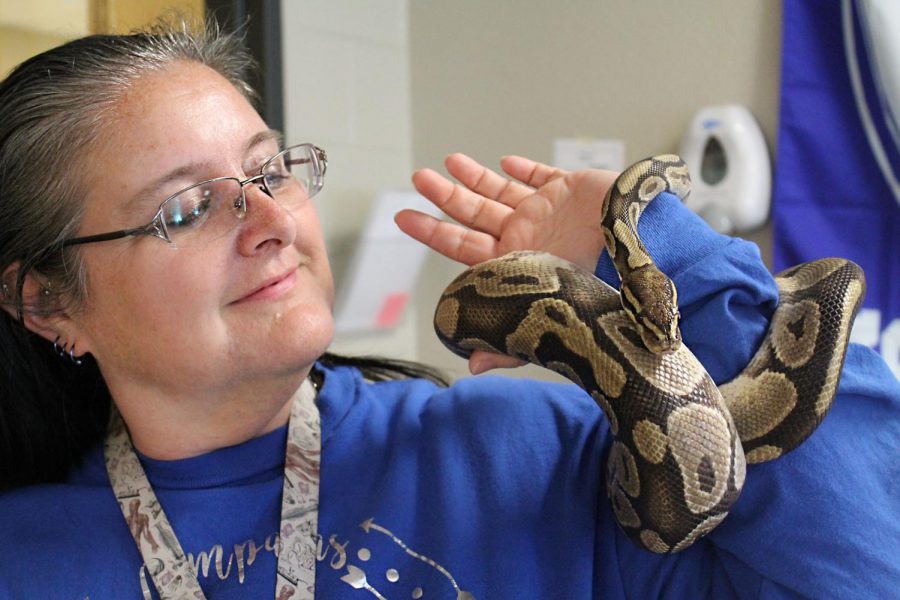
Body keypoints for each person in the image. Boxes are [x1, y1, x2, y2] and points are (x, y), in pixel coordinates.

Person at [0, 20, 897, 600]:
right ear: (47, 304)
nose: (273, 219)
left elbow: (866, 569)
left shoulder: (524, 447)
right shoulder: (26, 557)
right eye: (187, 208)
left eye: (269, 171)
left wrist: (665, 249)